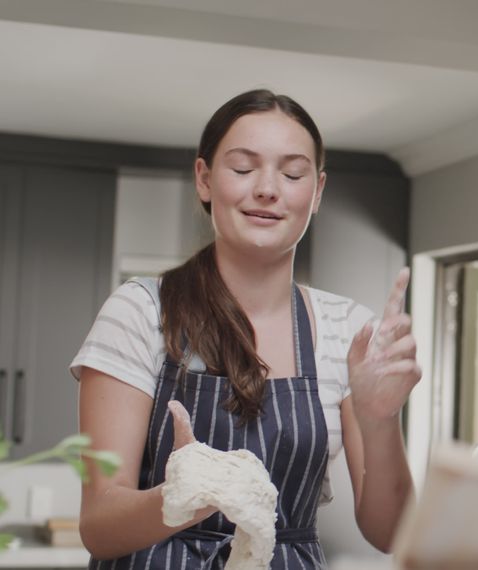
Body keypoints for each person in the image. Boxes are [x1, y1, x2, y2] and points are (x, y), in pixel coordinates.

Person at [72, 89, 422, 568]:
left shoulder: (349, 330)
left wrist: (381, 418)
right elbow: (98, 524)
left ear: (317, 192)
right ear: (204, 179)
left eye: (293, 173)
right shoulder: (141, 312)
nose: (267, 188)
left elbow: (390, 533)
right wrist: (184, 494)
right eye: (242, 168)